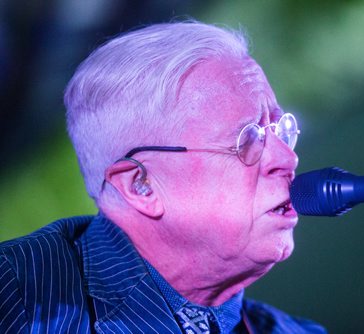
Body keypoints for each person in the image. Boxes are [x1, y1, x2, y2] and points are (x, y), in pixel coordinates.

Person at [0, 22, 326, 333]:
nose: (288, 158)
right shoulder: (16, 298)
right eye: (248, 138)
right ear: (141, 186)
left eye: (281, 130)